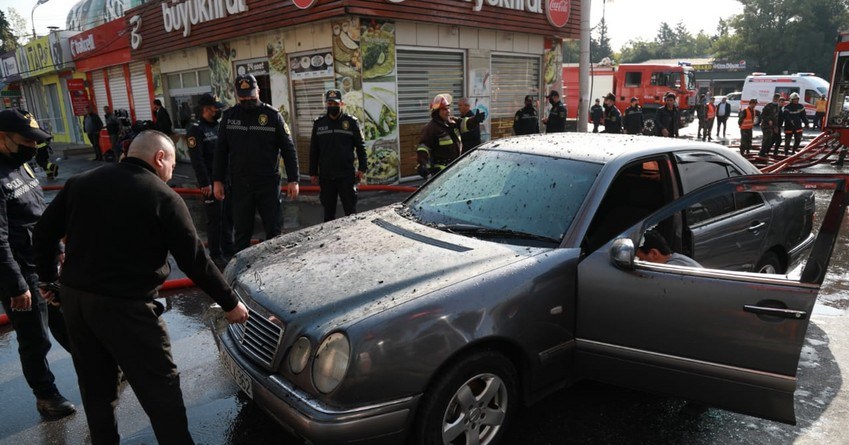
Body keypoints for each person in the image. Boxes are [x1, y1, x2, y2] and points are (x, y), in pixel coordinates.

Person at [32, 130, 249, 445]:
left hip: (78, 304)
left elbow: (43, 233)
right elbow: (196, 262)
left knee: (97, 390)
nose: (171, 173)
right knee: (162, 392)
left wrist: (48, 278)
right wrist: (231, 304)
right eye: (172, 164)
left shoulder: (82, 182)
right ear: (160, 158)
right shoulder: (163, 196)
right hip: (128, 309)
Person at [0, 109, 75, 419]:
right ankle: (46, 395)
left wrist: (56, 246)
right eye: (26, 140)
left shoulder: (21, 165)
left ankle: (100, 366)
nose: (33, 146)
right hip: (19, 270)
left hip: (43, 263)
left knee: (69, 323)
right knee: (35, 337)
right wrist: (15, 285)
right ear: (2, 138)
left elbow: (37, 212)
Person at [213, 74, 300, 252]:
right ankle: (240, 272)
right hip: (240, 184)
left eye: (251, 96)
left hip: (267, 184)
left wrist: (294, 179)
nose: (247, 100)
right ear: (237, 94)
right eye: (243, 96)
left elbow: (288, 149)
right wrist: (217, 180)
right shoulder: (229, 118)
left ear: (258, 91)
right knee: (242, 232)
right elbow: (220, 151)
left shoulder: (273, 116)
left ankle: (274, 269)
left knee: (274, 230)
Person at [187, 93, 233, 268]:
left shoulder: (218, 127)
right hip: (211, 183)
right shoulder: (196, 130)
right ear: (206, 109)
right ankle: (216, 254)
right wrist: (205, 183)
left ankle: (229, 249)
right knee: (215, 220)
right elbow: (197, 160)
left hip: (226, 180)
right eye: (216, 108)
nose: (219, 110)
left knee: (228, 217)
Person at [309, 89, 367, 222]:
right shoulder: (319, 124)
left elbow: (360, 146)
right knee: (329, 214)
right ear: (326, 104)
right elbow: (314, 149)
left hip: (346, 175)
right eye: (329, 103)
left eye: (335, 104)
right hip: (327, 176)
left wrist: (362, 168)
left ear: (341, 104)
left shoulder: (351, 122)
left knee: (351, 213)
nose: (332, 106)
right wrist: (313, 172)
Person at [416, 93, 483, 178]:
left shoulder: (452, 122)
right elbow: (423, 148)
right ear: (437, 112)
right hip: (441, 173)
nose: (448, 111)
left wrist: (475, 120)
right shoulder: (431, 128)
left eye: (448, 108)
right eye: (444, 109)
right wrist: (423, 164)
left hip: (456, 169)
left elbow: (464, 123)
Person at [636, 230, 702, 268]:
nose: (639, 261)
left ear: (654, 253)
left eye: (641, 258)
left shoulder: (672, 269)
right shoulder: (676, 259)